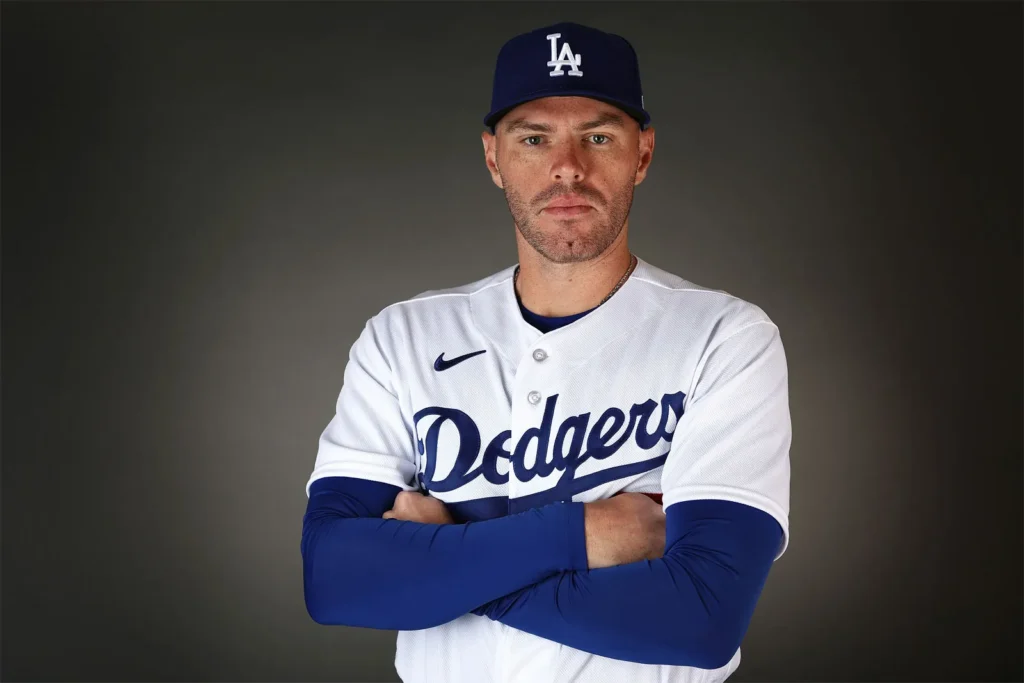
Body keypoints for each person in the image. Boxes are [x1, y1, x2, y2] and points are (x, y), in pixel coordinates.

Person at [301, 21, 791, 683]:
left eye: (597, 136)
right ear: (493, 156)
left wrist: (440, 557)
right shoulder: (401, 339)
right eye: (534, 137)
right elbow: (335, 580)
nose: (567, 165)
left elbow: (701, 616)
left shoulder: (724, 338)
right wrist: (579, 536)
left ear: (641, 155)